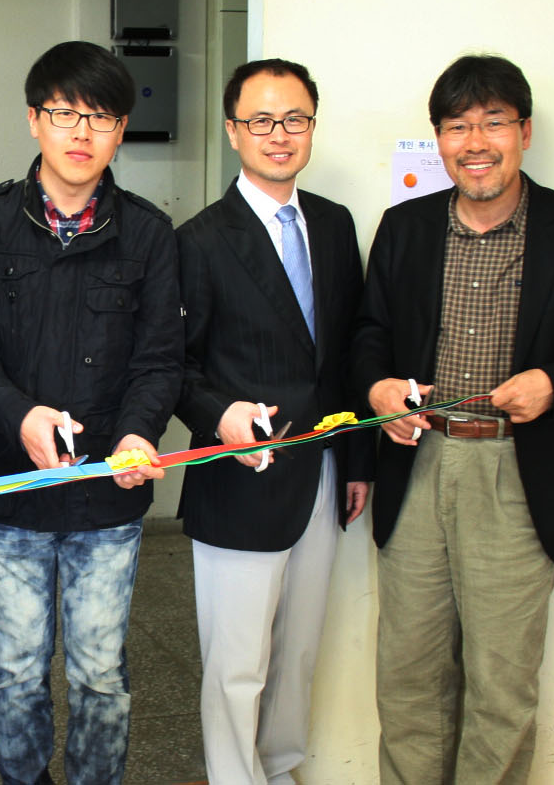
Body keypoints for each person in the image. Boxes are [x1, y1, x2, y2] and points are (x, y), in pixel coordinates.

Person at [352, 54, 554, 783]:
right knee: (409, 679)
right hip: (419, 465)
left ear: (524, 132)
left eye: (493, 123)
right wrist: (379, 388)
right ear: (439, 139)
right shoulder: (405, 227)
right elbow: (368, 332)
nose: (476, 142)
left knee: (501, 687)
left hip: (519, 474)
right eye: (458, 126)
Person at [0, 40, 179, 785]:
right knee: (17, 672)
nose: (81, 133)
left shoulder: (148, 233)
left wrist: (138, 433)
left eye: (101, 117)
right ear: (34, 120)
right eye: (64, 114)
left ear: (121, 131)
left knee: (99, 674)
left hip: (106, 495)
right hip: (9, 487)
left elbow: (160, 359)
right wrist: (19, 415)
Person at [174, 58, 372, 785]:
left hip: (322, 468)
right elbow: (173, 366)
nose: (279, 134)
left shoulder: (334, 224)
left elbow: (348, 352)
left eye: (294, 119)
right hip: (241, 476)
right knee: (238, 663)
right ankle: (234, 776)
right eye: (260, 120)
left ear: (312, 126)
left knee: (298, 652)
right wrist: (219, 416)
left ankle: (280, 768)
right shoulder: (198, 239)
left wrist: (357, 463)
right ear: (233, 131)